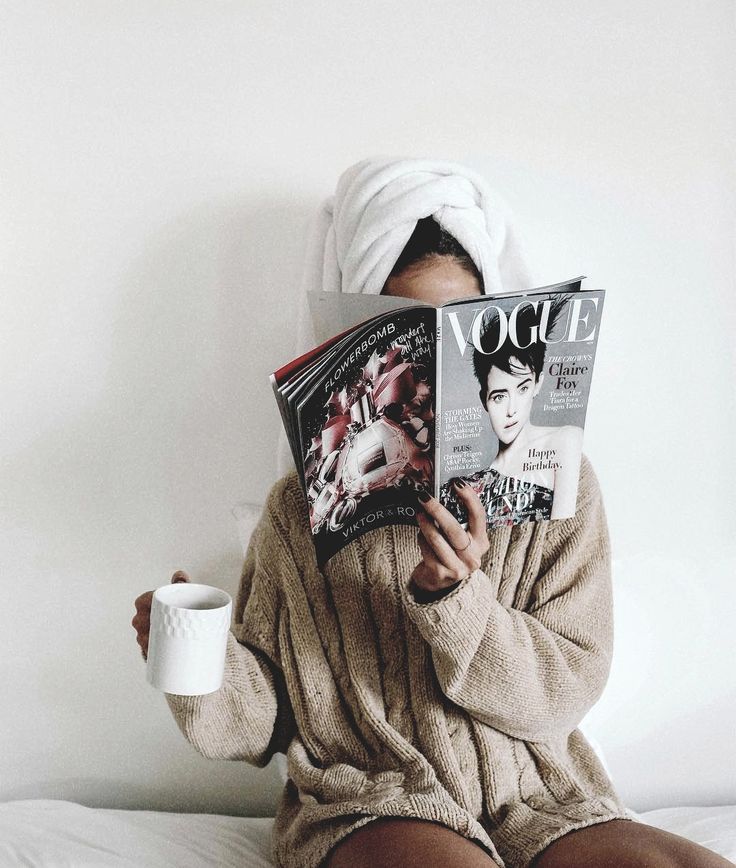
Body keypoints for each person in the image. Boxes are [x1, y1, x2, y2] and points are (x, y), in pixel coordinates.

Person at [133, 158, 733, 868]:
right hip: (374, 799)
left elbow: (567, 692)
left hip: (537, 797)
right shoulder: (299, 511)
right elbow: (266, 723)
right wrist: (197, 667)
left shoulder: (557, 488)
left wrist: (460, 602)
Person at [440, 295, 583, 527]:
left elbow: (562, 528)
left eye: (522, 388)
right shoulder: (465, 487)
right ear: (483, 400)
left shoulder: (564, 440)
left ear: (538, 384)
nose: (511, 410)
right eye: (499, 396)